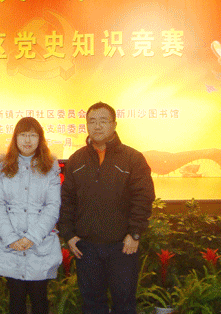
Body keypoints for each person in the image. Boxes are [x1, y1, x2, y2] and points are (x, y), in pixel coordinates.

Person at [58, 102, 155, 314]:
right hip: (86, 248)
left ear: (114, 125)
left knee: (124, 304)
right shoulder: (77, 159)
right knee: (92, 305)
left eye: (103, 121)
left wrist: (135, 234)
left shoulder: (133, 158)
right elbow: (66, 199)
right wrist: (69, 235)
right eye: (92, 121)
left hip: (122, 246)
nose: (97, 126)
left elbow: (143, 198)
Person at [0, 117, 62, 314]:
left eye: (32, 135)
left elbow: (52, 206)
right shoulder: (3, 166)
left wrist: (32, 238)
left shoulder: (50, 167)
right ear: (15, 138)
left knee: (40, 299)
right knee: (16, 299)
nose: (27, 140)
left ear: (40, 139)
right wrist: (11, 238)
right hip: (10, 246)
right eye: (23, 135)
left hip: (40, 244)